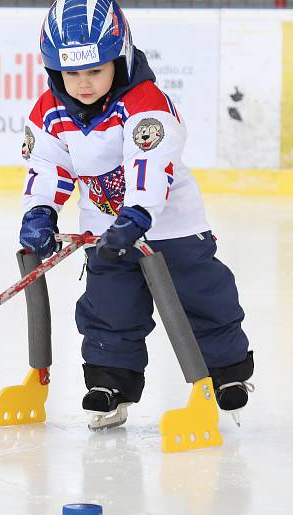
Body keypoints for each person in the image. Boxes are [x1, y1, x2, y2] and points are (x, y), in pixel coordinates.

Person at [18, 0, 254, 430]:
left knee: (201, 297)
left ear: (120, 57)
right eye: (72, 74)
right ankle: (111, 384)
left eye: (95, 71)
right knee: (110, 305)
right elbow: (48, 167)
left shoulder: (146, 102)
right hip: (104, 230)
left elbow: (149, 161)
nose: (83, 84)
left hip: (172, 226)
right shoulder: (48, 112)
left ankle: (227, 374)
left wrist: (139, 214)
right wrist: (40, 212)